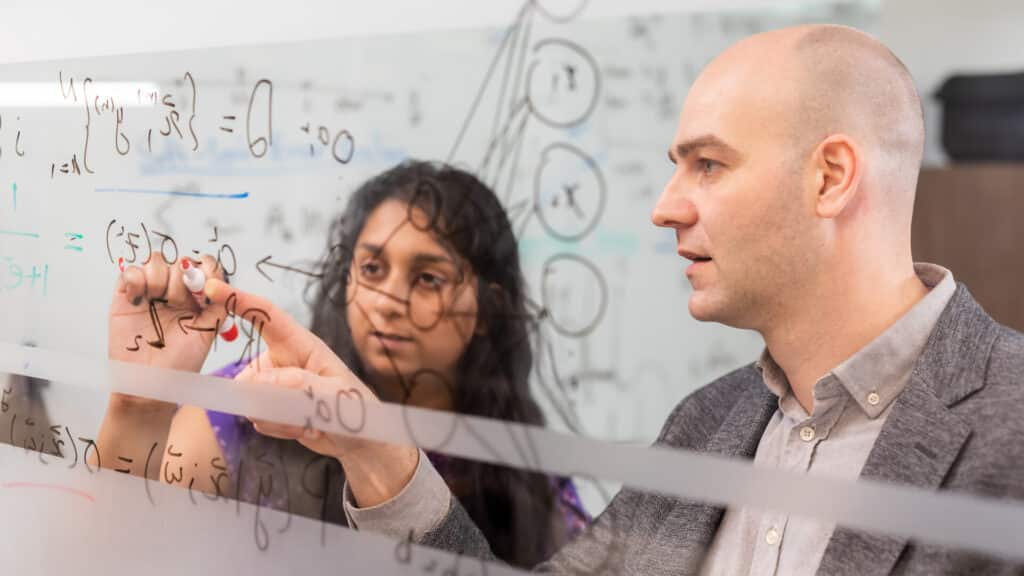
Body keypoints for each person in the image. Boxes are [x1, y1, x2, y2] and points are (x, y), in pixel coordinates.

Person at [194, 23, 1024, 575]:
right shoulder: (707, 426)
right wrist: (374, 450)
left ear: (831, 176)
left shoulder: (1009, 423)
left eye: (707, 164)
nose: (665, 204)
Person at [97, 161, 588, 568]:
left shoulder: (522, 468)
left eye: (429, 278)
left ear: (487, 309)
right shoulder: (254, 407)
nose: (389, 300)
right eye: (372, 268)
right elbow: (111, 557)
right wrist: (137, 404)